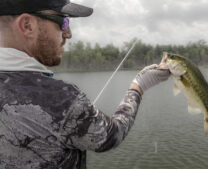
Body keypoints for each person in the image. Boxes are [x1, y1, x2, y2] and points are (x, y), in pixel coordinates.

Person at [0, 0, 170, 168]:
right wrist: (138, 86)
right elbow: (112, 135)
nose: (68, 34)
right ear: (27, 25)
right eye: (63, 21)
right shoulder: (60, 99)